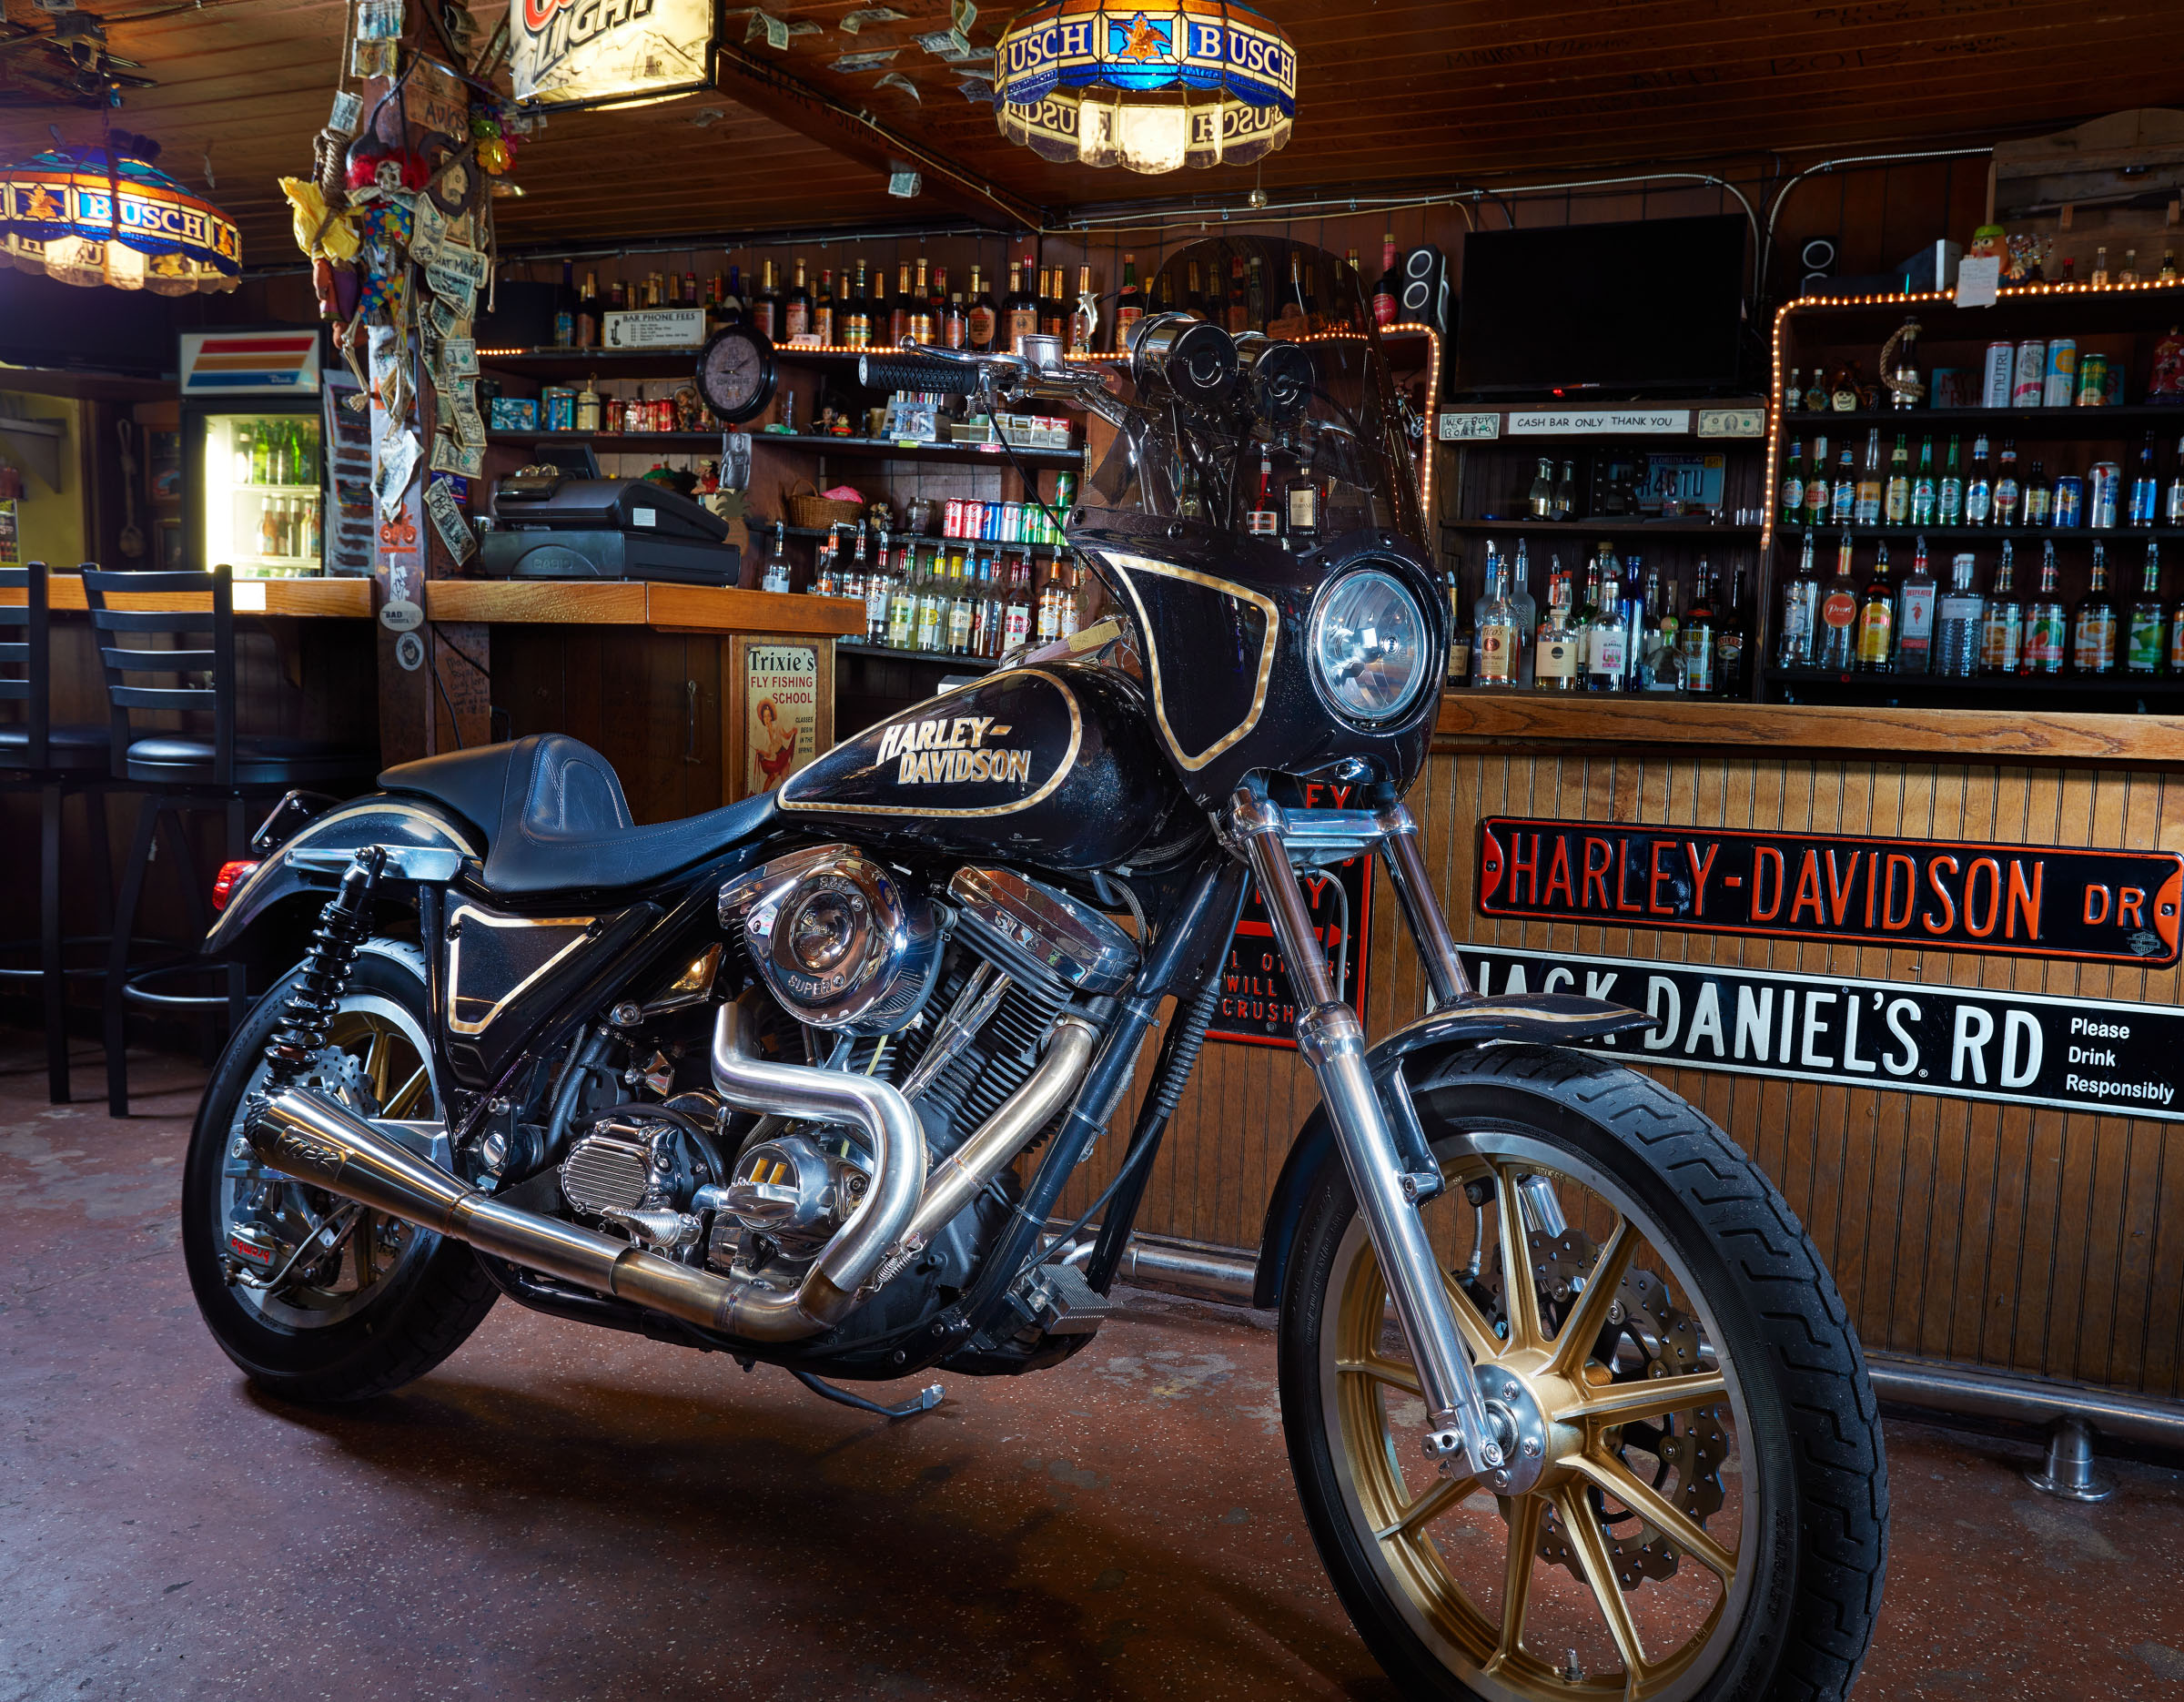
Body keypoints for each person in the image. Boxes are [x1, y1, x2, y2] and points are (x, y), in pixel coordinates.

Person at [752, 696, 798, 789]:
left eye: (768, 716)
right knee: (770, 779)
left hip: (784, 755)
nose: (767, 718)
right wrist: (761, 752)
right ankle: (762, 800)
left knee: (784, 778)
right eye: (765, 716)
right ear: (762, 719)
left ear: (772, 716)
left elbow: (786, 736)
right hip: (776, 759)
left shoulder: (777, 726)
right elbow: (769, 754)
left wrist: (792, 731)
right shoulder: (765, 734)